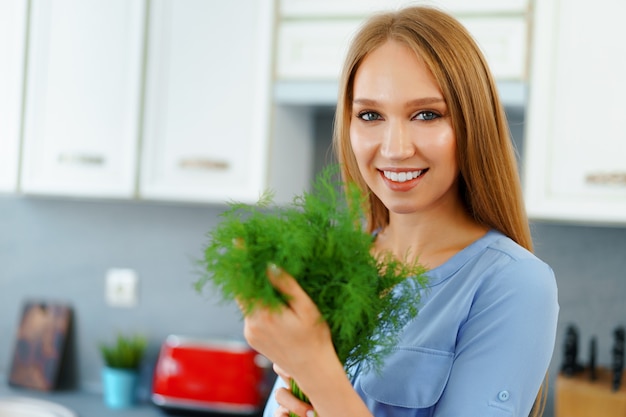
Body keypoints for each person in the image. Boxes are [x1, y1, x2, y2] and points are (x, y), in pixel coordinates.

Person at [243, 5, 559, 417]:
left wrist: (315, 368)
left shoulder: (513, 283)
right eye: (370, 115)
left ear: (472, 123)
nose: (394, 148)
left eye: (426, 114)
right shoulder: (338, 267)